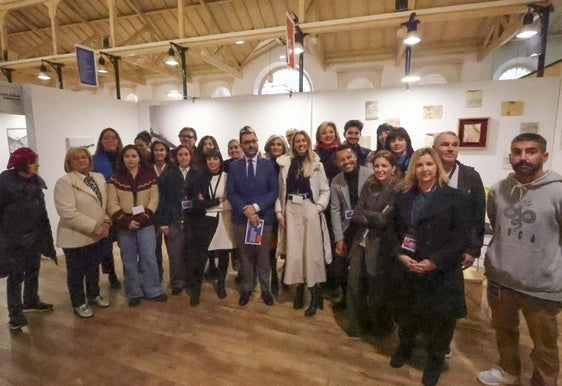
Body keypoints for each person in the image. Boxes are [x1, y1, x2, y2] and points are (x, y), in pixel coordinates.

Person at [477, 133, 562, 386]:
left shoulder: (558, 191)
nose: (523, 157)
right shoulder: (498, 189)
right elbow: (497, 223)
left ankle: (544, 382)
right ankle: (508, 371)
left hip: (542, 284)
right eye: (517, 151)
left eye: (531, 151)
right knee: (504, 332)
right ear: (511, 156)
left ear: (544, 156)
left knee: (544, 344)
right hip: (501, 279)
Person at [389, 147, 469, 386]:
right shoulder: (403, 196)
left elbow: (461, 237)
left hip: (441, 270)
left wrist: (434, 261)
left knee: (440, 321)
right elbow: (392, 232)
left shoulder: (455, 197)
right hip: (409, 266)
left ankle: (435, 361)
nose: (424, 169)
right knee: (407, 314)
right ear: (413, 168)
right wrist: (400, 255)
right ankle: (405, 348)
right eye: (420, 165)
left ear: (437, 167)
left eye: (429, 164)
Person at [276, 130, 332, 317]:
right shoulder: (285, 165)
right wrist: (279, 213)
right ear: (293, 144)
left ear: (308, 143)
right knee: (295, 253)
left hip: (309, 208)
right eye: (297, 141)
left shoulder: (317, 165)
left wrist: (318, 208)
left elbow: (325, 190)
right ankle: (299, 290)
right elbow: (279, 192)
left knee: (311, 253)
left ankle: (315, 294)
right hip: (291, 209)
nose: (300, 143)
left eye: (303, 140)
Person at [0, 147, 56, 330]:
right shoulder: (5, 182)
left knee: (33, 268)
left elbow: (40, 208)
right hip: (13, 238)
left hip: (34, 234)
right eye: (33, 162)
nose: (37, 165)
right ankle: (15, 315)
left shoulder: (35, 181)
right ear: (23, 163)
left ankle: (31, 300)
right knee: (16, 275)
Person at [347, 150, 401, 337]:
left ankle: (380, 327)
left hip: (381, 245)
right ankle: (356, 326)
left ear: (393, 168)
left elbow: (386, 221)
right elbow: (355, 214)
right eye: (376, 165)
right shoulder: (369, 184)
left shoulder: (398, 189)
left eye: (384, 165)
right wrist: (375, 215)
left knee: (378, 289)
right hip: (360, 242)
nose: (379, 170)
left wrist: (369, 215)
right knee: (354, 285)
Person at [54, 147, 111, 318]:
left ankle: (94, 294)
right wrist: (94, 227)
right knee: (76, 272)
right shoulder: (64, 182)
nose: (81, 161)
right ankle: (78, 302)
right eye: (76, 159)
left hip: (98, 233)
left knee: (93, 267)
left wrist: (107, 222)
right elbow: (67, 212)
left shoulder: (98, 177)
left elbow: (103, 204)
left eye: (84, 157)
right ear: (69, 163)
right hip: (76, 235)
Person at [107, 145, 167, 307]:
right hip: (124, 225)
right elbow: (111, 203)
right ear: (122, 158)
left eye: (134, 156)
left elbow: (154, 199)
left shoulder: (149, 177)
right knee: (129, 259)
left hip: (146, 224)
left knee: (149, 257)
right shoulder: (114, 179)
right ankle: (134, 292)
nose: (130, 159)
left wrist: (143, 217)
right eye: (127, 156)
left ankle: (153, 289)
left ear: (139, 158)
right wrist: (126, 221)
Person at [226, 126, 278, 307]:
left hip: (264, 218)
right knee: (245, 256)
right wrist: (245, 210)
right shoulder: (233, 167)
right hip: (241, 219)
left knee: (264, 257)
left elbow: (273, 192)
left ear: (257, 142)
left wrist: (255, 208)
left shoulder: (269, 165)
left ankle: (265, 289)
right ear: (241, 144)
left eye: (253, 141)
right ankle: (247, 288)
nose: (250, 145)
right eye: (246, 142)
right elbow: (231, 193)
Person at [155, 145, 208, 306]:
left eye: (186, 154)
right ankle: (177, 283)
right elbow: (162, 200)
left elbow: (202, 196)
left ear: (191, 156)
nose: (183, 157)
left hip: (193, 220)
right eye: (180, 154)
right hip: (174, 219)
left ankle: (191, 282)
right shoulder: (168, 175)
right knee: (175, 253)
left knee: (191, 254)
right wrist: (163, 222)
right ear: (176, 157)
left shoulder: (198, 174)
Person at [329, 144, 372, 311]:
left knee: (363, 268)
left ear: (355, 157)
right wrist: (339, 238)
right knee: (339, 267)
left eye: (349, 157)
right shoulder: (336, 181)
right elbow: (335, 210)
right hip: (348, 228)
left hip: (367, 228)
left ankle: (363, 302)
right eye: (342, 160)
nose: (346, 161)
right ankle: (346, 298)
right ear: (338, 163)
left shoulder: (370, 175)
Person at [201, 148, 235, 299]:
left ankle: (221, 282)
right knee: (207, 249)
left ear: (220, 160)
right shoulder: (201, 178)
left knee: (223, 252)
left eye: (215, 158)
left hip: (224, 218)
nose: (212, 162)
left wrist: (211, 204)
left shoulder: (227, 177)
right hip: (207, 218)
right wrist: (215, 202)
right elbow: (199, 201)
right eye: (209, 159)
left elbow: (230, 198)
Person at [93, 127, 123, 289]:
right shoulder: (95, 160)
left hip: (124, 207)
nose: (111, 140)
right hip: (104, 208)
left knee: (126, 242)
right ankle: (111, 274)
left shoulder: (125, 157)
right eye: (107, 138)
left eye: (114, 138)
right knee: (106, 245)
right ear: (101, 141)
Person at [264, 134, 289, 294]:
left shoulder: (289, 164)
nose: (276, 147)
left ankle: (287, 275)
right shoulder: (264, 165)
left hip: (287, 209)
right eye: (273, 144)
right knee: (271, 247)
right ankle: (273, 275)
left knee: (288, 245)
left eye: (279, 144)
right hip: (269, 210)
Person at [150, 140, 172, 282]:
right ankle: (158, 276)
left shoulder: (172, 168)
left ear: (166, 152)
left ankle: (175, 279)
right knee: (155, 250)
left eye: (162, 150)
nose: (159, 152)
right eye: (156, 150)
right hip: (152, 215)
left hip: (169, 215)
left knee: (172, 250)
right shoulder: (146, 168)